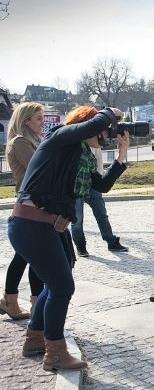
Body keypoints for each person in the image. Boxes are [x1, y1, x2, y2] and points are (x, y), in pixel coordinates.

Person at [8, 105, 129, 371]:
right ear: (89, 125)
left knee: (54, 285)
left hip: (46, 228)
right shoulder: (60, 138)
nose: (106, 134)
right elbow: (89, 126)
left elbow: (102, 185)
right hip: (32, 225)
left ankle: (35, 339)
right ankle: (55, 353)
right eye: (104, 129)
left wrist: (121, 154)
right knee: (63, 287)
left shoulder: (80, 155)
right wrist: (109, 112)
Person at [1, 103, 45, 320]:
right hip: (30, 204)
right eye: (38, 118)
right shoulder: (20, 142)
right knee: (34, 255)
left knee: (24, 255)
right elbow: (37, 170)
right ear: (26, 120)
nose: (42, 121)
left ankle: (10, 299)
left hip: (35, 203)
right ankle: (35, 304)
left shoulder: (34, 140)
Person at [71, 146, 128, 257]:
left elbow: (99, 165)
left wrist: (100, 180)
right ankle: (80, 246)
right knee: (77, 219)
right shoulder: (78, 142)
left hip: (94, 184)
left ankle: (111, 242)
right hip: (78, 185)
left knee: (102, 214)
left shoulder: (96, 142)